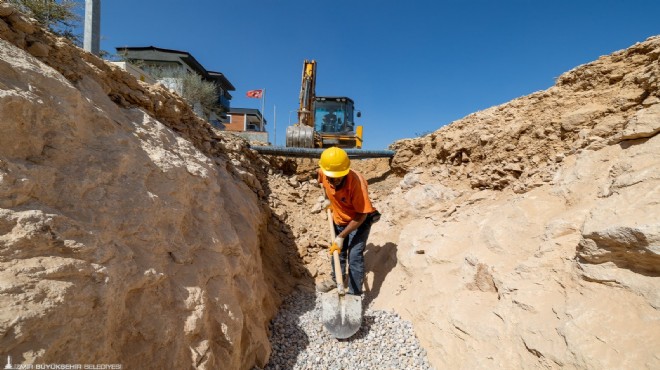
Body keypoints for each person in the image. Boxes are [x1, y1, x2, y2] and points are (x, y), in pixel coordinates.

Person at [316, 147, 380, 295]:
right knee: (337, 251)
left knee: (354, 255)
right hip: (338, 218)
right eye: (332, 177)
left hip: (359, 221)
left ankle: (354, 292)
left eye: (339, 176)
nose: (335, 180)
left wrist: (341, 236)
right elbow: (320, 181)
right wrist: (327, 199)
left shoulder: (356, 183)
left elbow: (361, 215)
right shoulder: (323, 172)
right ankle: (336, 279)